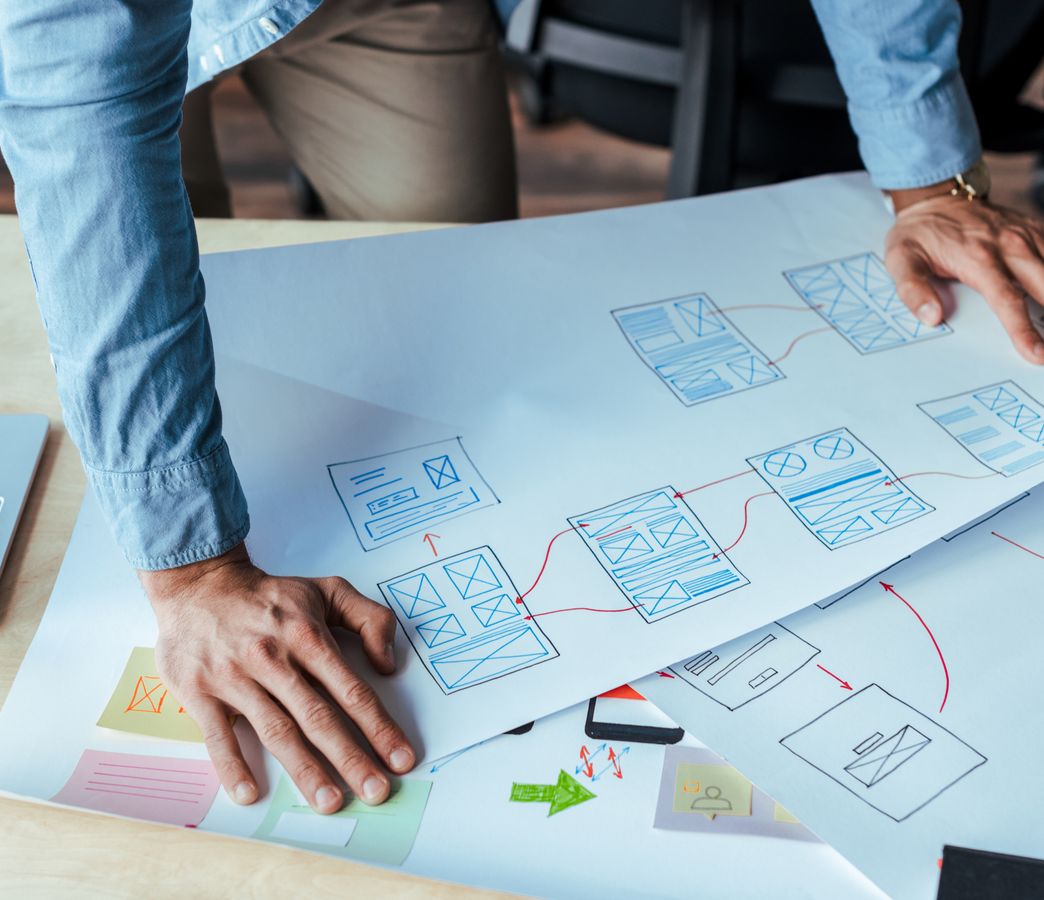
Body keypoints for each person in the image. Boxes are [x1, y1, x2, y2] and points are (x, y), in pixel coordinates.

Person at [1, 0, 1042, 818]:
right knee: (140, 270)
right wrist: (193, 564)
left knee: (452, 290)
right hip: (90, 37)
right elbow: (73, 91)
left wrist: (928, 178)